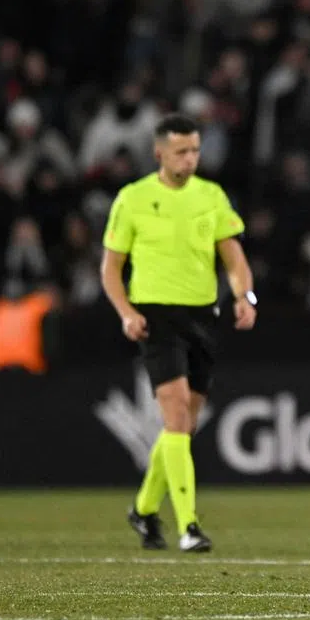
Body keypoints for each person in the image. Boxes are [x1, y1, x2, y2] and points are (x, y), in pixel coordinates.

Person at [101, 113, 257, 553]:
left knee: (183, 427)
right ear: (159, 153)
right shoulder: (132, 199)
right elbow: (110, 269)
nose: (190, 159)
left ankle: (143, 509)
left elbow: (234, 259)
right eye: (181, 152)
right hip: (155, 317)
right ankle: (189, 526)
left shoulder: (211, 196)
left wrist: (246, 297)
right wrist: (125, 312)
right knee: (174, 417)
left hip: (202, 318)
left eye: (195, 151)